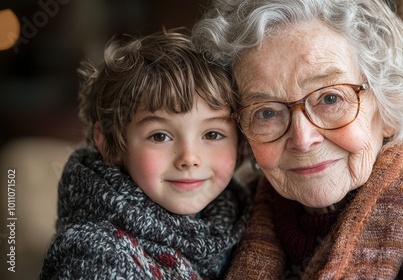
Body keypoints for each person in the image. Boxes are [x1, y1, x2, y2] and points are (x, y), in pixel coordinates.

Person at [191, 0, 403, 278]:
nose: (302, 139)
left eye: (329, 99)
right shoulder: (221, 225)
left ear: (390, 105)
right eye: (266, 113)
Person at [40, 29, 251, 279]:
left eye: (212, 134)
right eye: (160, 136)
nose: (189, 158)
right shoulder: (95, 255)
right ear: (109, 143)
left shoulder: (244, 217)